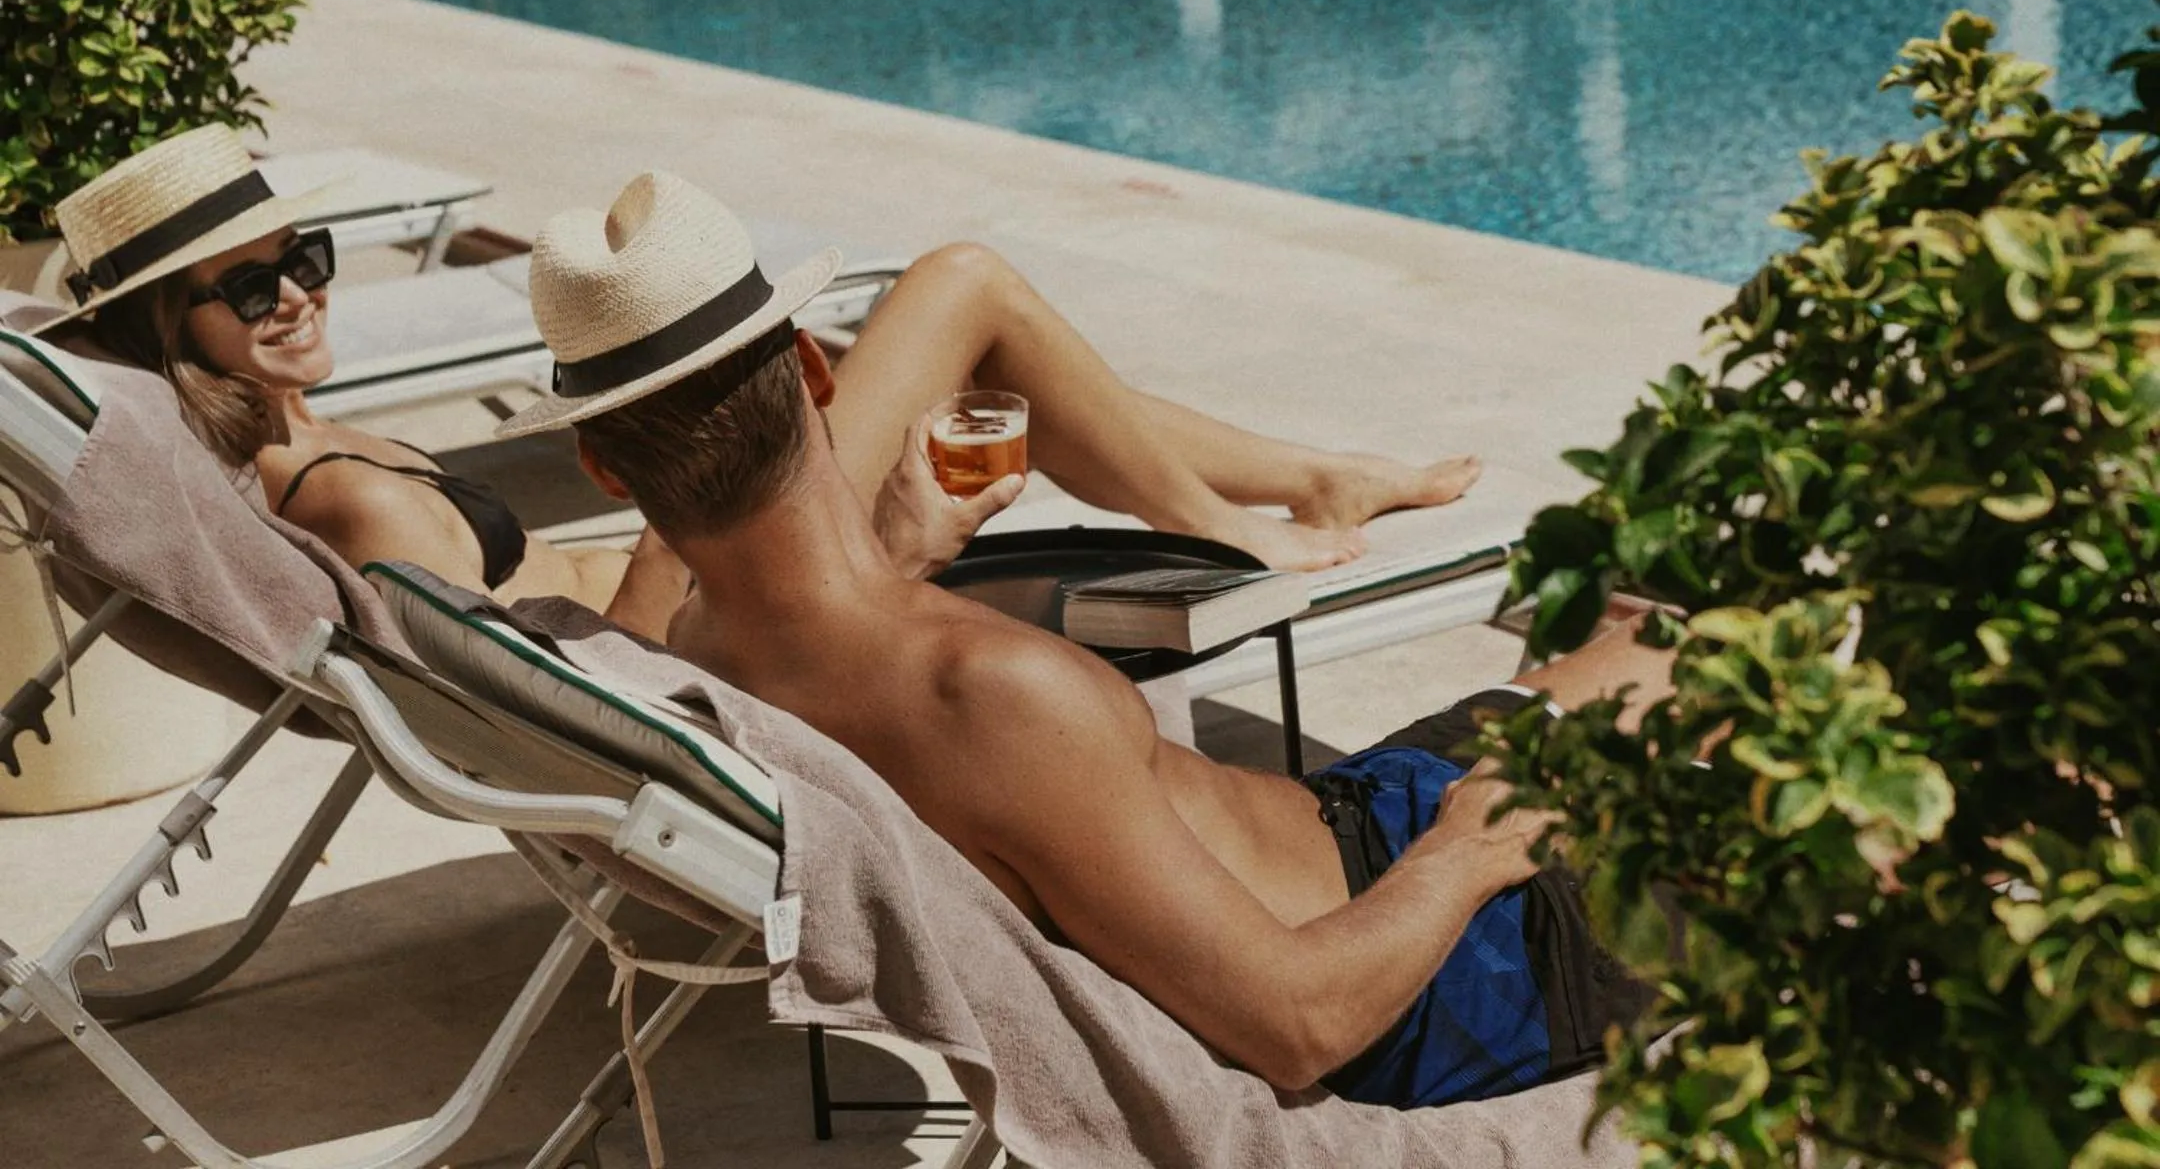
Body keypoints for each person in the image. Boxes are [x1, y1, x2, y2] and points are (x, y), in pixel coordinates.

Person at [511, 171, 1678, 1109]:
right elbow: (1298, 1027)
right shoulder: (989, 689)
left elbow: (871, 710)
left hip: (1361, 828)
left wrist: (901, 556)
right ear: (816, 369)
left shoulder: (691, 659)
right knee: (1717, 667)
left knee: (1640, 647)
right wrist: (1470, 849)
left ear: (602, 465)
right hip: (1443, 963)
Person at [35, 127, 1483, 639]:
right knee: (963, 283)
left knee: (955, 359)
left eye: (304, 258)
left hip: (698, 569)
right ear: (172, 328)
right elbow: (598, 689)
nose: (297, 296)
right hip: (721, 598)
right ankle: (1230, 526)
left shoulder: (305, 450)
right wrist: (671, 524)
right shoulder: (347, 502)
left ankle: (1308, 479)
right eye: (247, 289)